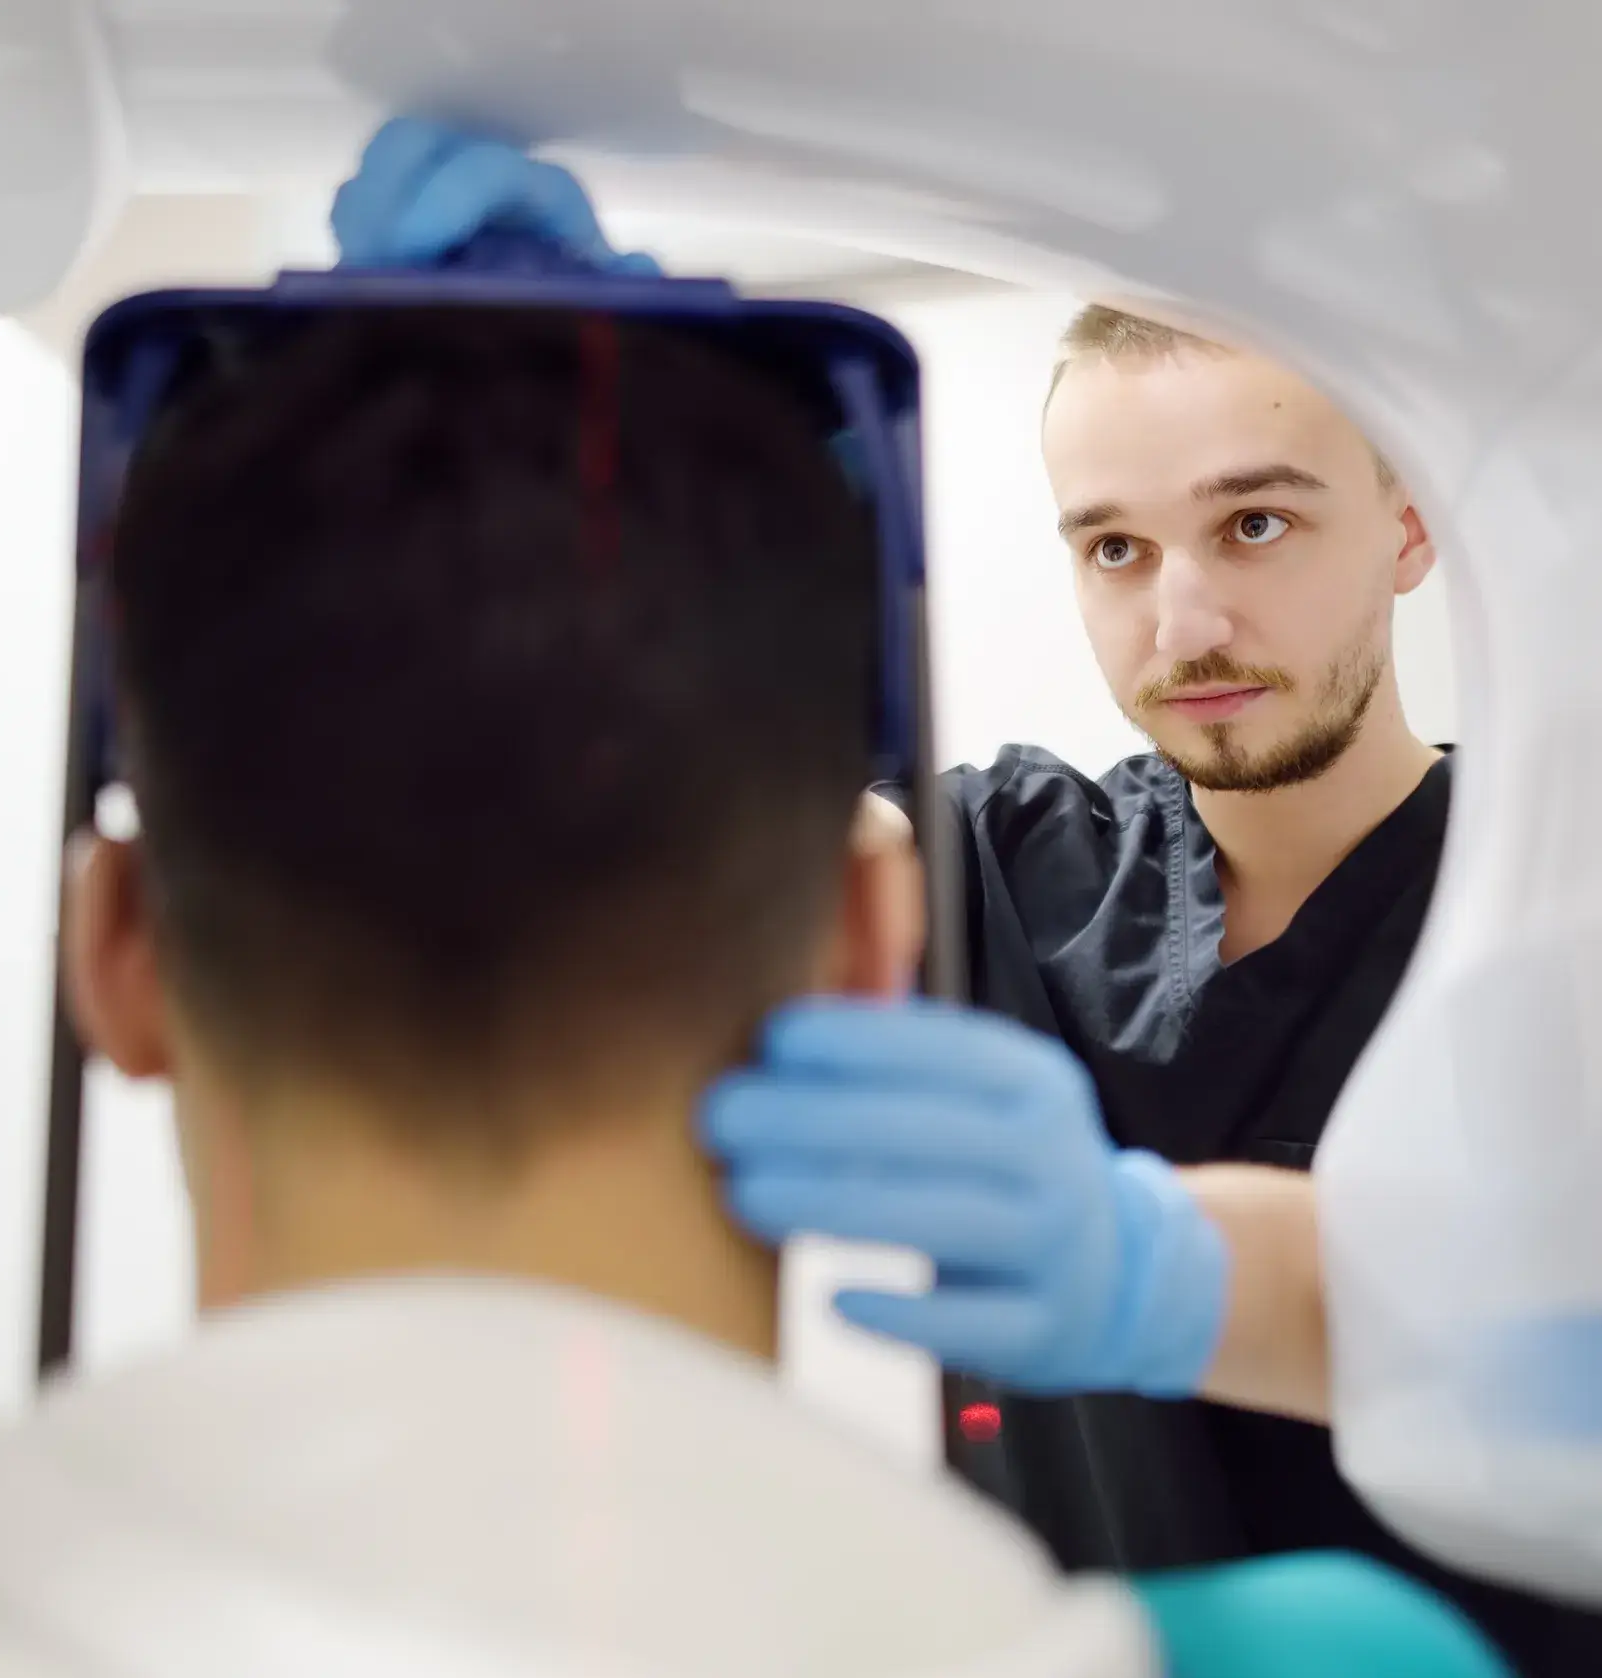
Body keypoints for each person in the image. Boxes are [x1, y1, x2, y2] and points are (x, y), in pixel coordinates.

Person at [324, 120, 1600, 1676]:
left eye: (1252, 523)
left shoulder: (1549, 918)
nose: (1182, 617)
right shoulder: (994, 862)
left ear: (1407, 528)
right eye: (1114, 547)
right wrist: (581, 438)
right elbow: (635, 764)